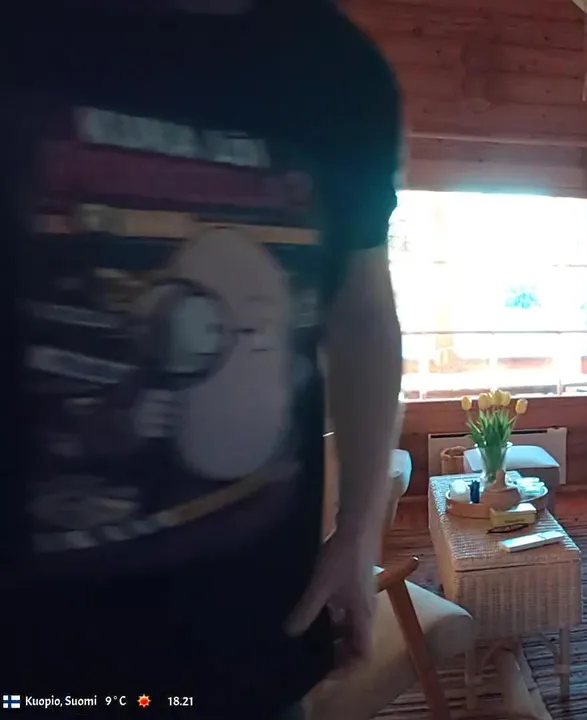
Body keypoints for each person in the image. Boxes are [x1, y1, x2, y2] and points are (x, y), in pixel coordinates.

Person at [1, 0, 404, 717]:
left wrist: (358, 530)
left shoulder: (345, 74)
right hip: (38, 647)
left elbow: (362, 309)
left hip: (257, 632)